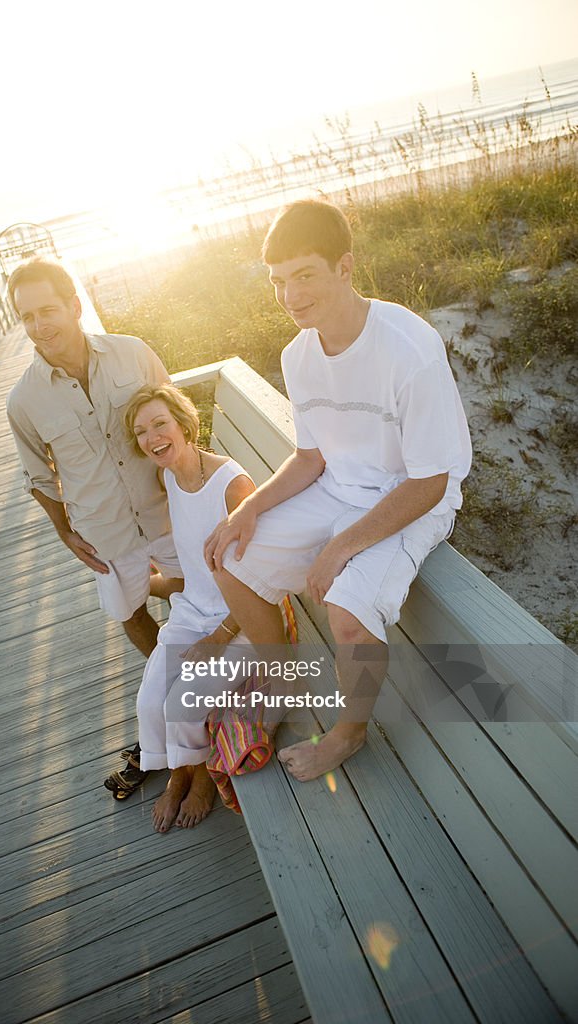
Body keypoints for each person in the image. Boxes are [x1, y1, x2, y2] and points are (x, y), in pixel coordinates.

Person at [205, 199, 472, 782]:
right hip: (338, 485)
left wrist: (340, 547)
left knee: (346, 610)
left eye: (305, 275)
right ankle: (283, 680)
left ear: (345, 267)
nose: (290, 295)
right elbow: (310, 457)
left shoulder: (409, 348)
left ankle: (349, 734)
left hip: (412, 494)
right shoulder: (297, 354)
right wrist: (247, 509)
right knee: (227, 554)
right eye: (279, 281)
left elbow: (431, 481)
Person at [6, 260, 183, 793]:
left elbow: (176, 417)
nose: (40, 326)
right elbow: (36, 475)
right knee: (130, 611)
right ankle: (173, 686)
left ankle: (203, 685)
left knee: (193, 596)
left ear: (75, 305)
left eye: (48, 311)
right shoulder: (23, 400)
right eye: (27, 317)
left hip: (165, 510)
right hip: (101, 528)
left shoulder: (132, 353)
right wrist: (64, 532)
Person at [122, 383, 255, 831]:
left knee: (182, 706)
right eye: (141, 431)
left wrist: (220, 639)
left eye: (160, 423)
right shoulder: (170, 477)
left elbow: (265, 581)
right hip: (191, 610)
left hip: (242, 622)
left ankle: (200, 781)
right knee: (148, 702)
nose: (152, 437)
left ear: (184, 424)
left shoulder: (232, 486)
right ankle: (180, 772)